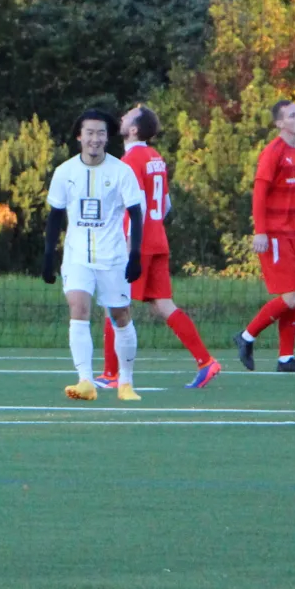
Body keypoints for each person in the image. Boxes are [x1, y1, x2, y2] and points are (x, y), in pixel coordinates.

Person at [100, 106, 224, 391]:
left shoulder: (130, 161)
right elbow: (164, 204)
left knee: (114, 303)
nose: (122, 118)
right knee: (163, 304)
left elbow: (136, 207)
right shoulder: (155, 157)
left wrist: (130, 245)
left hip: (137, 243)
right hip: (157, 239)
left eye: (127, 116)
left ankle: (111, 374)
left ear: (133, 129)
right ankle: (206, 362)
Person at [44, 108, 147, 402]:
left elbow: (136, 213)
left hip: (113, 257)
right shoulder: (65, 172)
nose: (95, 139)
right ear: (79, 136)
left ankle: (125, 383)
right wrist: (48, 255)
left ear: (107, 137)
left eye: (100, 133)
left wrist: (135, 253)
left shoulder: (121, 171)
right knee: (78, 309)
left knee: (120, 315)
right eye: (89, 132)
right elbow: (55, 216)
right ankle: (85, 381)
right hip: (77, 257)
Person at [235, 100, 295, 373]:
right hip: (274, 234)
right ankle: (246, 336)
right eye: (292, 115)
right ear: (279, 124)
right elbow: (259, 194)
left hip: (294, 234)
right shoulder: (272, 152)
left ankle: (286, 358)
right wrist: (260, 231)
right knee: (291, 297)